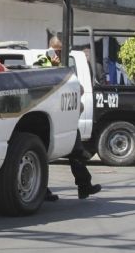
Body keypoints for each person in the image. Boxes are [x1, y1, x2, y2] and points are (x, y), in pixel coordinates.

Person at [35, 37, 102, 202]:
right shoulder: (43, 62)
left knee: (76, 152)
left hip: (63, 118)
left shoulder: (61, 64)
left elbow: (75, 87)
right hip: (48, 117)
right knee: (42, 155)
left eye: (61, 50)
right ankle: (41, 191)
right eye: (58, 50)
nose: (59, 53)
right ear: (51, 48)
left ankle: (84, 185)